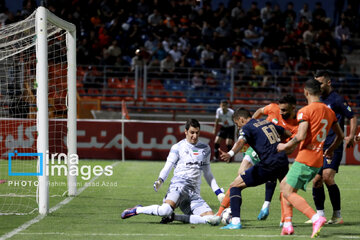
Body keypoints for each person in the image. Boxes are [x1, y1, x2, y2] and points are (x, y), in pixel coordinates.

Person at [121, 119, 225, 225]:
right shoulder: (178, 147)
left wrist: (218, 193)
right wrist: (160, 180)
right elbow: (168, 166)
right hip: (178, 186)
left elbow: (207, 173)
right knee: (164, 211)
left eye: (197, 133)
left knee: (212, 220)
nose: (194, 136)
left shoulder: (205, 148)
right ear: (186, 131)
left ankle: (173, 217)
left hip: (193, 192)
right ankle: (138, 210)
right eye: (192, 132)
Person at [213, 95, 298, 224]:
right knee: (285, 189)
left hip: (268, 163)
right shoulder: (266, 122)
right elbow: (286, 132)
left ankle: (234, 222)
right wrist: (288, 144)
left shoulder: (247, 127)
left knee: (235, 185)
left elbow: (241, 141)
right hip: (283, 160)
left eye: (237, 124)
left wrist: (230, 153)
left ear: (241, 119)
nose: (239, 127)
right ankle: (285, 221)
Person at [277, 79, 344, 238]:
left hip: (306, 157)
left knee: (286, 190)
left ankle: (315, 218)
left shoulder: (305, 111)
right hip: (318, 158)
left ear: (306, 92)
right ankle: (287, 225)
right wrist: (331, 149)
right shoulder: (329, 111)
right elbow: (341, 136)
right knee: (286, 186)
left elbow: (300, 136)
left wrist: (285, 147)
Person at [309, 70, 357, 224]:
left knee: (327, 177)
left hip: (334, 144)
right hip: (319, 147)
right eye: (316, 83)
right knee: (316, 181)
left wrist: (350, 135)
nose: (318, 86)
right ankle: (320, 216)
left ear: (328, 82)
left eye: (321, 83)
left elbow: (352, 116)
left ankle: (337, 215)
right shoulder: (316, 100)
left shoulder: (337, 100)